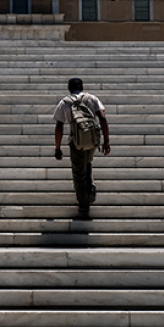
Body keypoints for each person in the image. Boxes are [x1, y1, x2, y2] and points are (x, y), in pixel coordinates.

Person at [53, 77, 110, 220]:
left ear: (69, 88)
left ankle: (84, 207)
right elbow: (103, 118)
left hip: (76, 142)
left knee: (79, 174)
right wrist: (106, 141)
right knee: (88, 163)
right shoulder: (92, 98)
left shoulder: (64, 102)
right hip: (92, 141)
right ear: (82, 87)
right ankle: (89, 191)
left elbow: (59, 125)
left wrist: (58, 147)